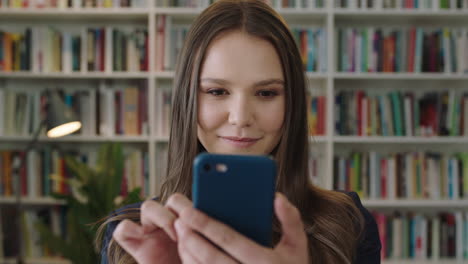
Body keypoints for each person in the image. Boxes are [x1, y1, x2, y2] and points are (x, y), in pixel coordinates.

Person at [97, 0, 381, 263]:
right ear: (187, 101)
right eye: (217, 91)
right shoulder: (133, 236)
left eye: (267, 92)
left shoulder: (347, 224)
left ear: (292, 102)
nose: (241, 118)